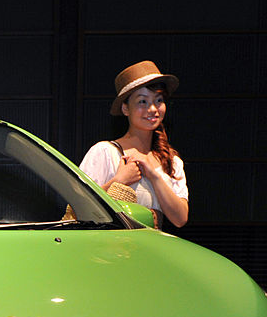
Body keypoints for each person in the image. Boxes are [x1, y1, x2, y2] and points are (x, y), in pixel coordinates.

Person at [80, 60, 189, 228]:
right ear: (125, 109)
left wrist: (154, 176)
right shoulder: (105, 152)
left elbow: (180, 219)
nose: (152, 108)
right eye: (142, 101)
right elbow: (79, 207)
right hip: (112, 250)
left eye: (159, 100)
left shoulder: (172, 161)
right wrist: (119, 181)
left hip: (153, 250)